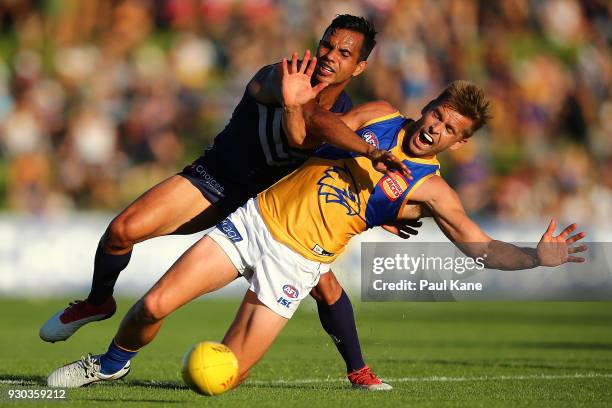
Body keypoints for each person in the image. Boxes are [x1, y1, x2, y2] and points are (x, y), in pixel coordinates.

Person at [47, 79, 586, 390]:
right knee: (154, 304)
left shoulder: (434, 192)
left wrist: (534, 258)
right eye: (437, 115)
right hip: (254, 222)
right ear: (427, 106)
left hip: (298, 265)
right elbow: (319, 122)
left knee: (221, 376)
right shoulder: (380, 116)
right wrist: (365, 149)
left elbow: (481, 247)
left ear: (460, 142)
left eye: (450, 130)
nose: (435, 129)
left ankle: (213, 360)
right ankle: (109, 365)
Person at [40, 15, 411, 389]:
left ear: (359, 66)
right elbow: (309, 119)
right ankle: (97, 303)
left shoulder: (347, 113)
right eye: (327, 45)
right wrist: (364, 146)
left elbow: (335, 166)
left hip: (268, 210)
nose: (330, 55)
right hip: (214, 182)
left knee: (326, 287)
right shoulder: (283, 76)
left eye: (343, 53)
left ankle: (359, 372)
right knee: (122, 231)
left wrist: (376, 210)